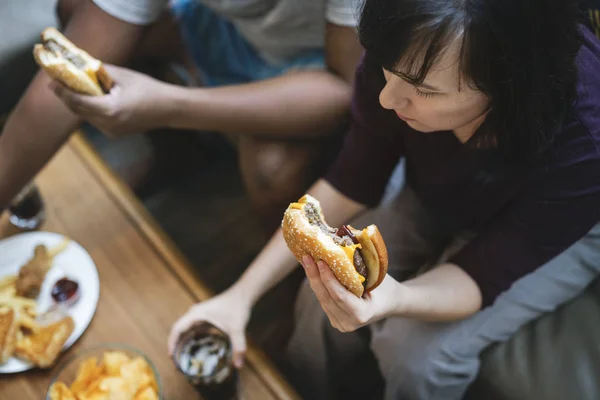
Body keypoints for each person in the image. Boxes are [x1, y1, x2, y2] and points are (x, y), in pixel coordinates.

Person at [168, 0, 600, 398]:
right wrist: (240, 297)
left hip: (554, 228)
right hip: (441, 188)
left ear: (509, 84)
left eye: (424, 90)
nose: (386, 98)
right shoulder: (403, 50)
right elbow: (351, 180)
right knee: (318, 304)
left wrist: (395, 300)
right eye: (387, 70)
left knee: (415, 357)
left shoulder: (585, 140)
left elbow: (481, 276)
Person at [0, 0, 363, 232]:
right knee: (75, 9)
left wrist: (169, 106)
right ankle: (180, 154)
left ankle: (295, 291)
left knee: (273, 170)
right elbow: (67, 67)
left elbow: (346, 89)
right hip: (237, 33)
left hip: (328, 58)